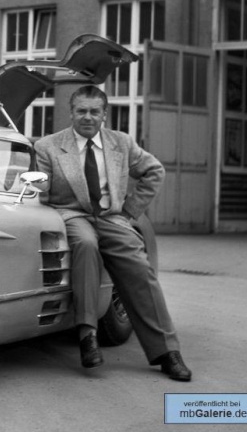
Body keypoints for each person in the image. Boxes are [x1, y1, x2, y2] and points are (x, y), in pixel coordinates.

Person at [33, 85, 191, 381]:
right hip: (71, 215)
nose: (88, 117)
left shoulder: (121, 143)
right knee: (86, 244)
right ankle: (87, 336)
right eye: (81, 111)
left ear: (104, 113)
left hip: (111, 216)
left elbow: (154, 171)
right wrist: (36, 186)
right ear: (71, 113)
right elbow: (39, 192)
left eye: (95, 111)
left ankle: (167, 352)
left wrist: (130, 212)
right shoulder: (48, 147)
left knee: (140, 269)